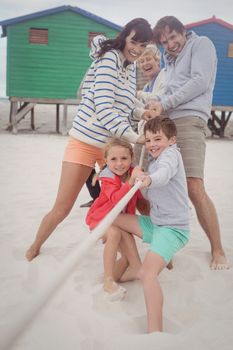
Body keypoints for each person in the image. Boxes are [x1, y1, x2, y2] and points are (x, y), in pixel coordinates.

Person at [25, 18, 153, 261]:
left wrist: (140, 113)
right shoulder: (110, 59)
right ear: (125, 36)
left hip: (111, 149)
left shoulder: (129, 66)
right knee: (63, 207)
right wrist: (136, 138)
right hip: (85, 143)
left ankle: (148, 245)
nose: (137, 48)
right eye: (134, 41)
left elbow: (122, 104)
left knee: (131, 200)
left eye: (143, 45)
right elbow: (104, 108)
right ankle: (35, 247)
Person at [146, 16, 228, 269]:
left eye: (173, 37)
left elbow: (199, 81)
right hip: (167, 121)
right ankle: (164, 244)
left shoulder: (201, 44)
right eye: (164, 41)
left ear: (183, 31)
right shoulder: (169, 63)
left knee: (193, 185)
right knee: (158, 183)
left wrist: (165, 104)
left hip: (190, 119)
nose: (170, 44)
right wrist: (149, 101)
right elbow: (166, 93)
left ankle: (218, 249)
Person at [112, 116, 190, 332]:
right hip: (156, 224)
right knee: (114, 220)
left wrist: (148, 179)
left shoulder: (171, 156)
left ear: (172, 140)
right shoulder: (153, 162)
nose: (152, 144)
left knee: (148, 274)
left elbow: (163, 175)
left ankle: (155, 332)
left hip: (173, 229)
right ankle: (130, 262)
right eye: (148, 140)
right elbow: (147, 188)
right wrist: (139, 176)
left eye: (158, 139)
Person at [86, 138, 148, 300]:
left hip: (120, 220)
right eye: (113, 159)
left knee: (128, 256)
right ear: (105, 160)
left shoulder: (132, 172)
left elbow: (141, 198)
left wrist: (143, 180)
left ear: (131, 158)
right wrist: (131, 181)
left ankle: (123, 274)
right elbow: (115, 199)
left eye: (124, 159)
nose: (119, 164)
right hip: (101, 219)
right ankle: (108, 281)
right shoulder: (107, 178)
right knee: (114, 234)